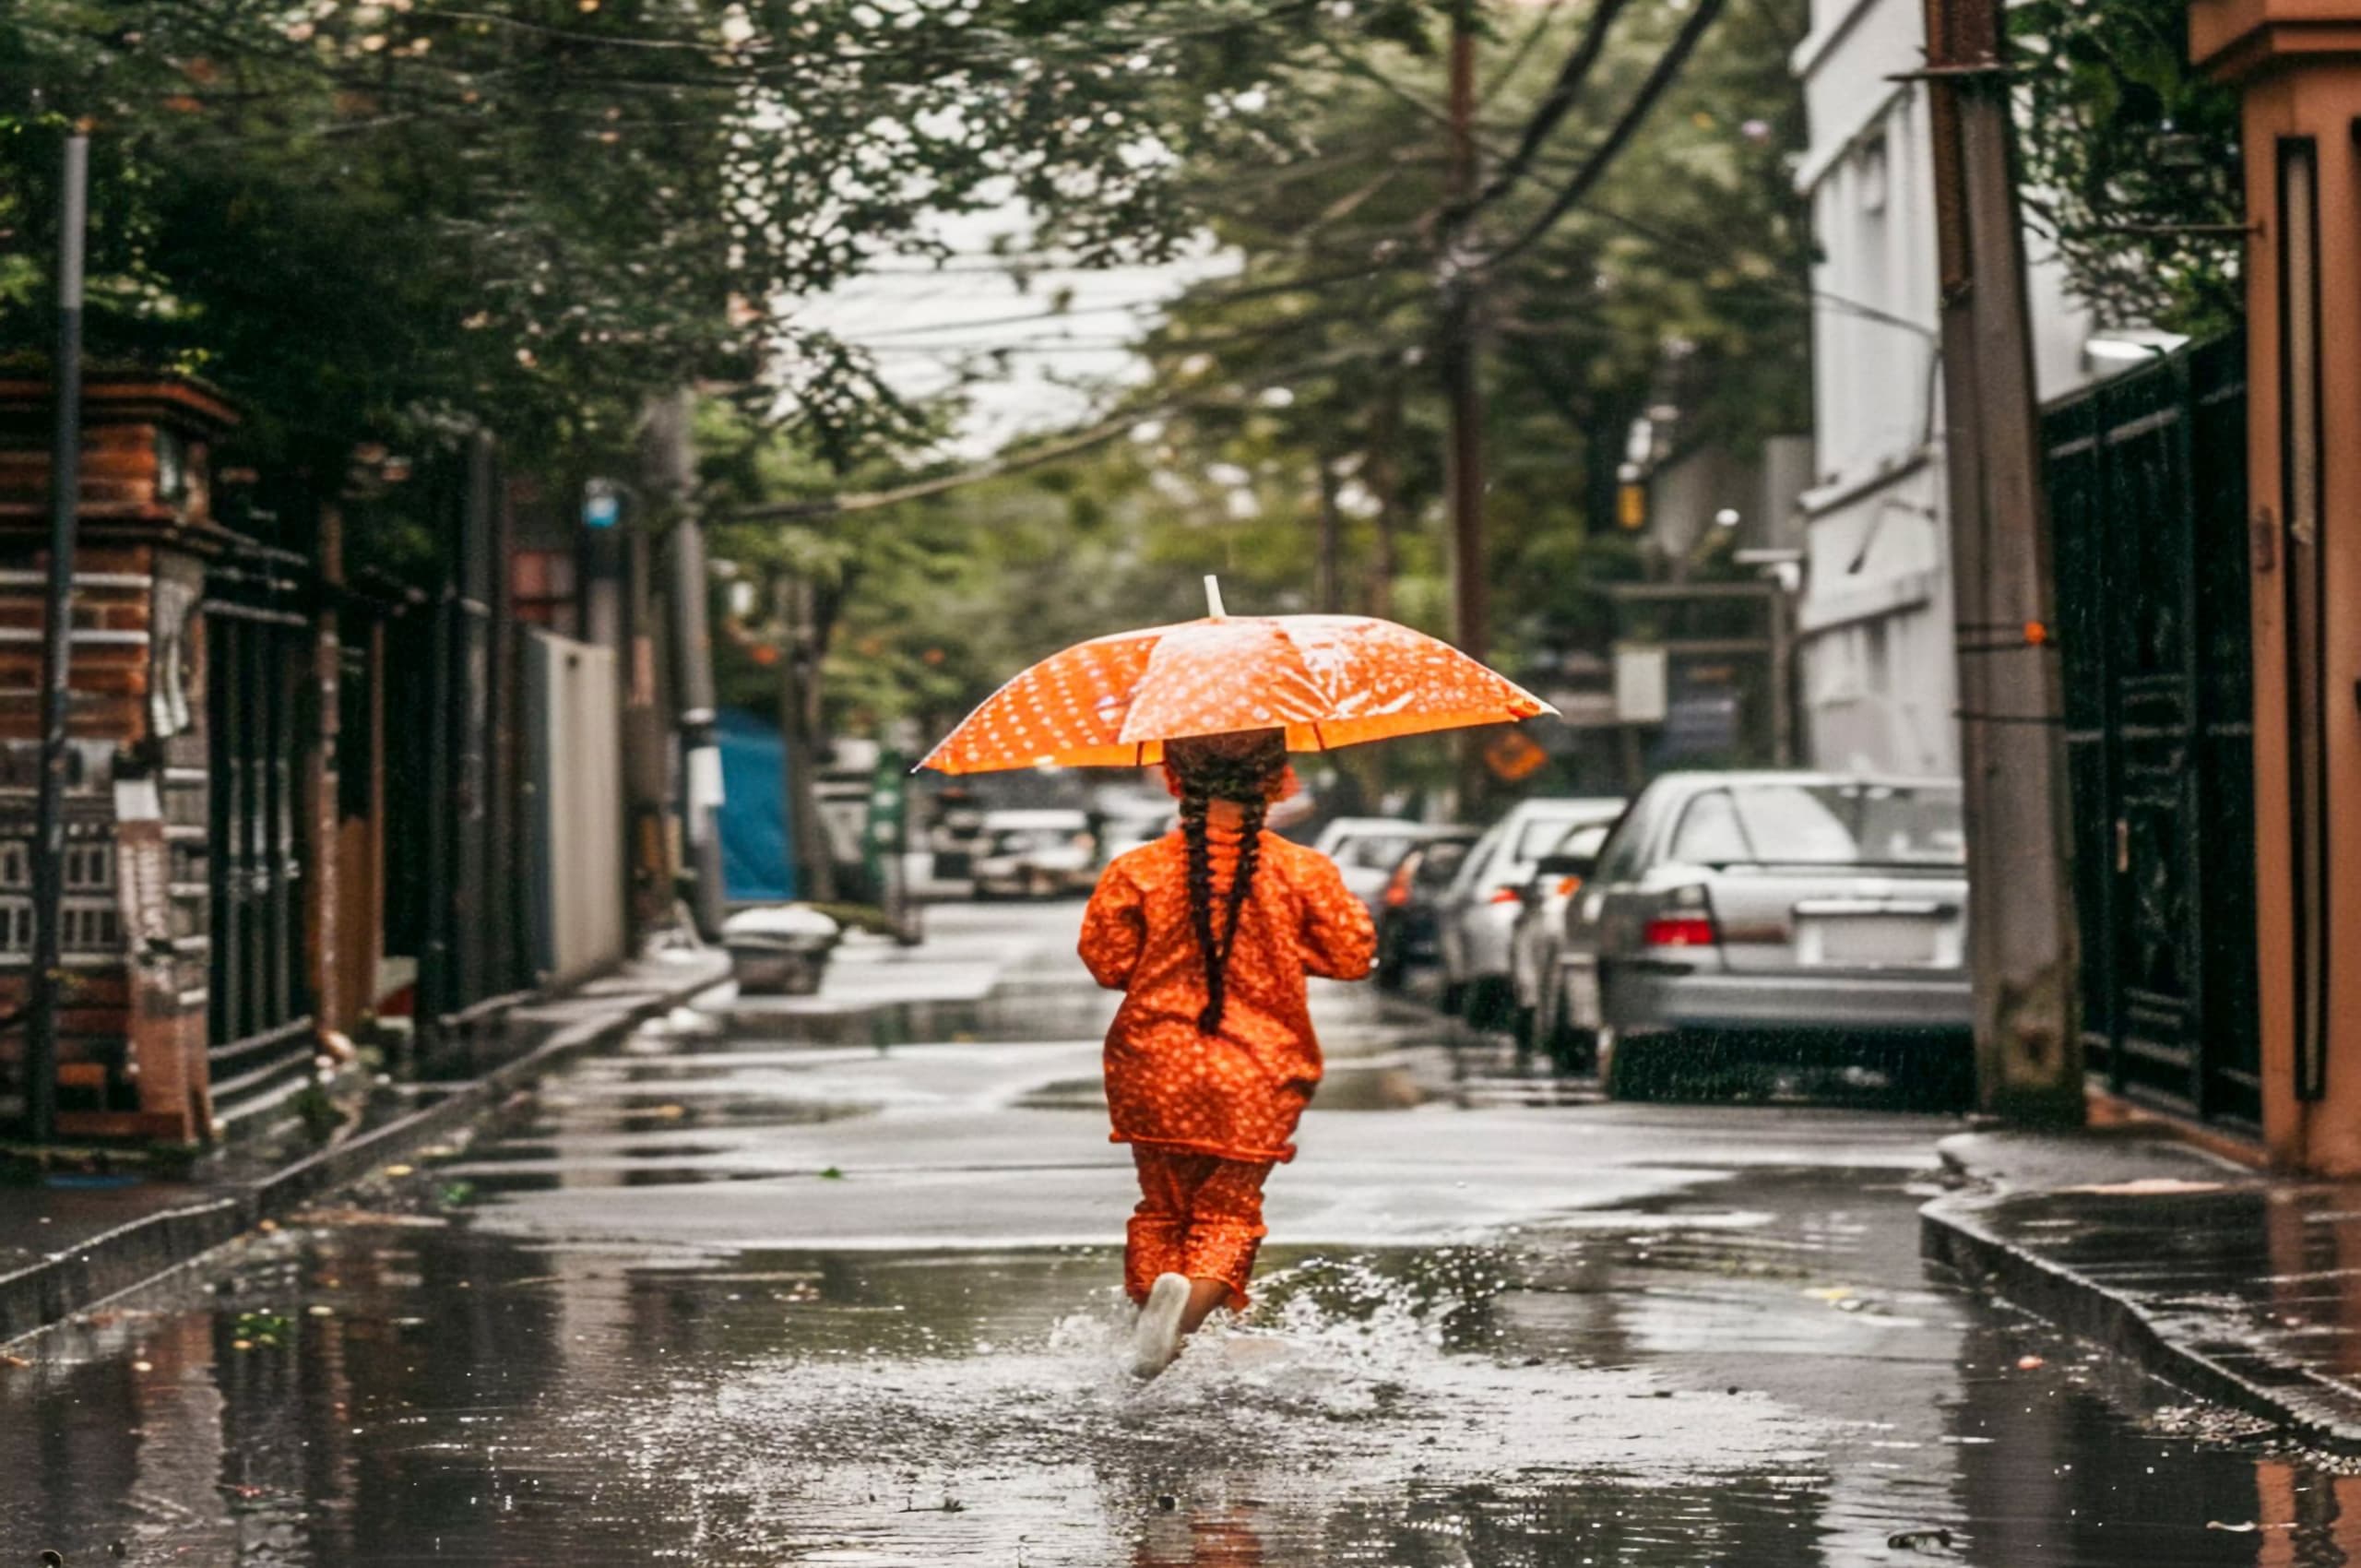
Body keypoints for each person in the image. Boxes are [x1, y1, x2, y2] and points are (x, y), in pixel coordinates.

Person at [1076, 728, 1376, 1376]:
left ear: (1174, 779)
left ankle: (1154, 1325)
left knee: (1162, 1208)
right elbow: (1352, 955)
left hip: (1152, 1062)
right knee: (1227, 1214)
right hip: (1259, 1072)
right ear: (1276, 781)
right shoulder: (1303, 870)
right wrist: (1279, 948)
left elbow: (1108, 962)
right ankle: (1178, 1326)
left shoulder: (1136, 870)